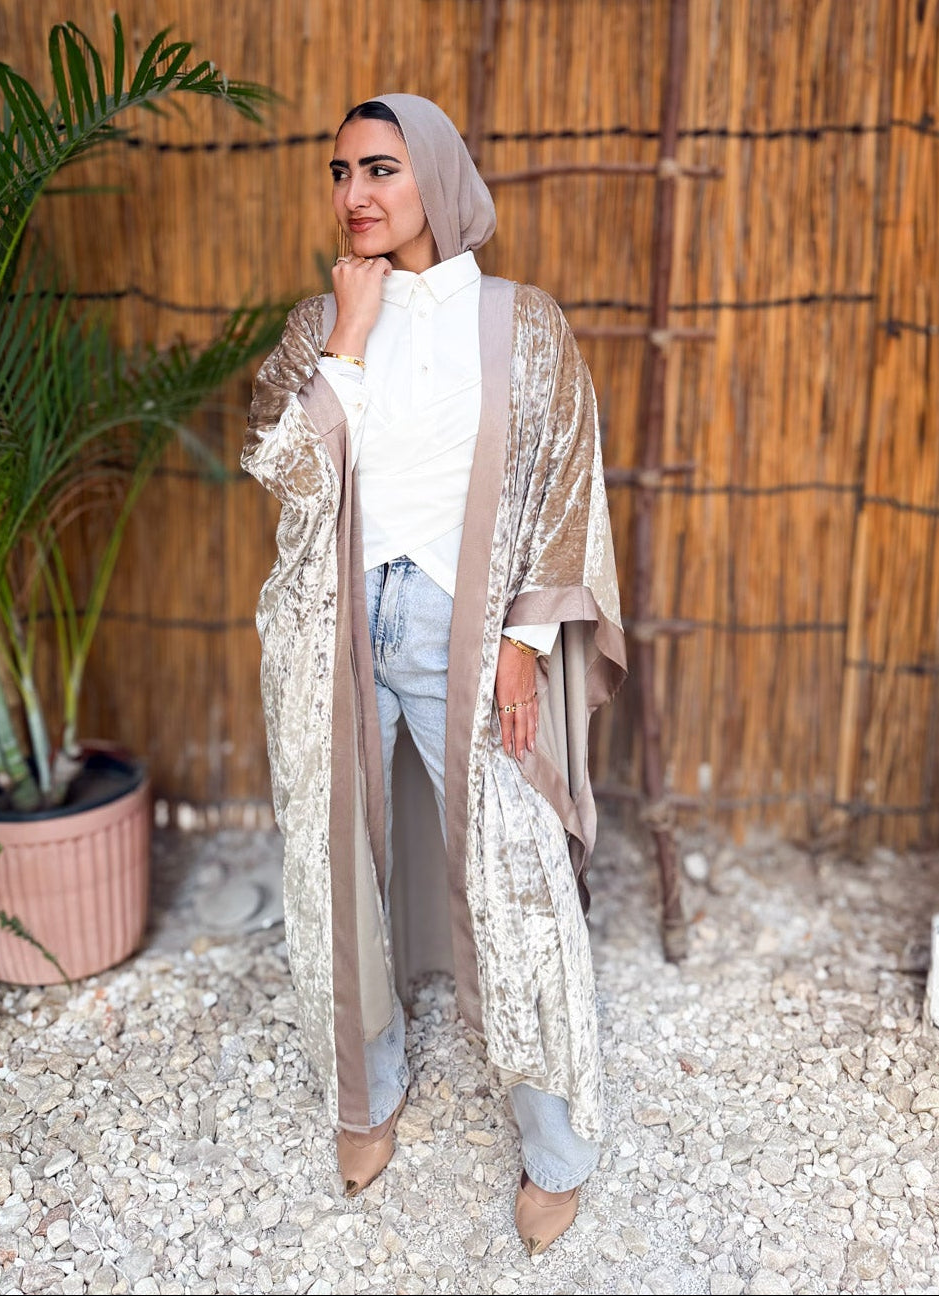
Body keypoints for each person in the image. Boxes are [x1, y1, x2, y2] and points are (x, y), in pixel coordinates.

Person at [242, 93, 626, 1255]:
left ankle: (555, 1140)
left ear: (437, 179)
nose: (356, 195)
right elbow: (284, 473)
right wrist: (347, 342)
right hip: (333, 628)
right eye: (340, 172)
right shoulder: (321, 320)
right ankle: (368, 1087)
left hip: (461, 629)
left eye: (381, 170)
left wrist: (519, 639)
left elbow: (564, 487)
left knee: (513, 878)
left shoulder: (521, 322)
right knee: (335, 865)